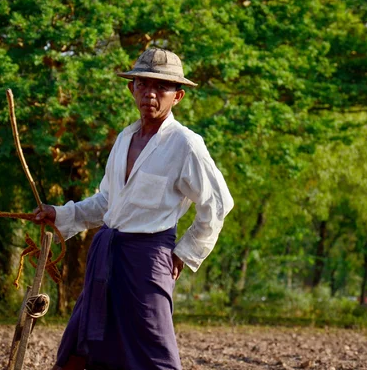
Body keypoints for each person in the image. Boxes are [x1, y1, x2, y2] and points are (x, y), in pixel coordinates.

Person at [34, 48, 234, 370]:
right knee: (80, 346)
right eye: (143, 84)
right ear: (132, 88)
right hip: (105, 254)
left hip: (149, 260)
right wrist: (59, 214)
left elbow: (218, 202)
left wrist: (184, 253)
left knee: (154, 353)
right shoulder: (124, 138)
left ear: (178, 96)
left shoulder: (186, 144)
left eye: (161, 87)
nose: (150, 94)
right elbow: (106, 203)